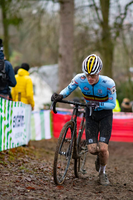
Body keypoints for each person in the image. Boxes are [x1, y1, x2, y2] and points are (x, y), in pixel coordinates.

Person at [51, 54, 116, 186]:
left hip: (105, 116)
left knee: (103, 149)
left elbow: (113, 104)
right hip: (90, 114)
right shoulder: (79, 79)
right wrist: (60, 95)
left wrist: (99, 105)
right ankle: (99, 156)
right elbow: (69, 89)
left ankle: (102, 173)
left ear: (99, 72)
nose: (90, 78)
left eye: (93, 75)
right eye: (87, 75)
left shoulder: (108, 83)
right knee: (92, 150)